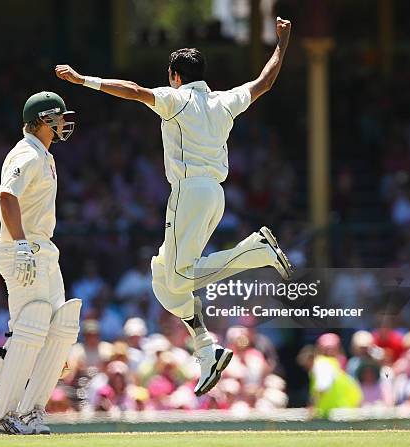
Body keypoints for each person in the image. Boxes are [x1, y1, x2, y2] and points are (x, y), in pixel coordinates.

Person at [55, 17, 293, 395]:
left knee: (180, 278)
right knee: (164, 281)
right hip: (214, 194)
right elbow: (264, 82)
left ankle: (256, 251)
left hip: (189, 192)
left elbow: (133, 91)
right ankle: (206, 350)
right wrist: (281, 43)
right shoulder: (223, 101)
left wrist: (84, 80)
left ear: (175, 75)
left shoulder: (176, 99)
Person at [0, 92, 82, 435]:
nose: (65, 123)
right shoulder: (26, 153)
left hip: (43, 248)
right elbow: (6, 195)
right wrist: (21, 243)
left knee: (61, 329)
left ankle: (29, 412)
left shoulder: (44, 155)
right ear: (43, 119)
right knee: (30, 329)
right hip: (23, 248)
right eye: (60, 118)